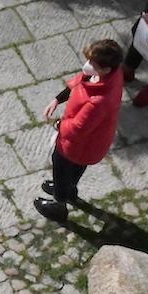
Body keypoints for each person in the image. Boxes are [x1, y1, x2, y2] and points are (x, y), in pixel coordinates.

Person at [33, 39, 125, 223]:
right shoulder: (110, 75)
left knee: (61, 168)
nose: (87, 65)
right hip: (90, 145)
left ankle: (59, 204)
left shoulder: (99, 101)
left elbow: (77, 129)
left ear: (105, 69)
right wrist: (58, 99)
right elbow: (80, 81)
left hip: (78, 146)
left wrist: (57, 124)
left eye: (92, 63)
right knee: (73, 171)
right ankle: (69, 191)